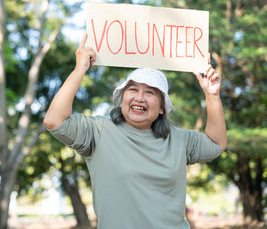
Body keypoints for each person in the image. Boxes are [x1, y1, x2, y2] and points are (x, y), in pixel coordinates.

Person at [44, 33, 227, 229]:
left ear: (162, 107)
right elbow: (54, 121)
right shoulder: (98, 132)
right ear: (121, 99)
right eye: (132, 90)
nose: (139, 97)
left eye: (149, 92)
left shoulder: (178, 139)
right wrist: (80, 68)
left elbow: (216, 144)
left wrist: (212, 96)